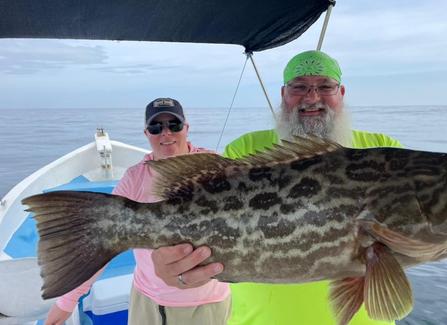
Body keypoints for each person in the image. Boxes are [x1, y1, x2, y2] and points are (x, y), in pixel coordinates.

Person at [221, 50, 402, 325]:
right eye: (299, 87)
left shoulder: (385, 152)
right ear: (284, 93)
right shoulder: (244, 150)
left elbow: (416, 228)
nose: (312, 97)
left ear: (341, 92)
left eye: (324, 86)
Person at [44, 98, 231, 325]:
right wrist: (67, 302)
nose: (166, 133)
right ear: (146, 133)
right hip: (148, 300)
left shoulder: (216, 167)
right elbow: (102, 238)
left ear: (186, 128)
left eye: (174, 125)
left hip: (207, 304)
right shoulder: (135, 177)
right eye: (156, 127)